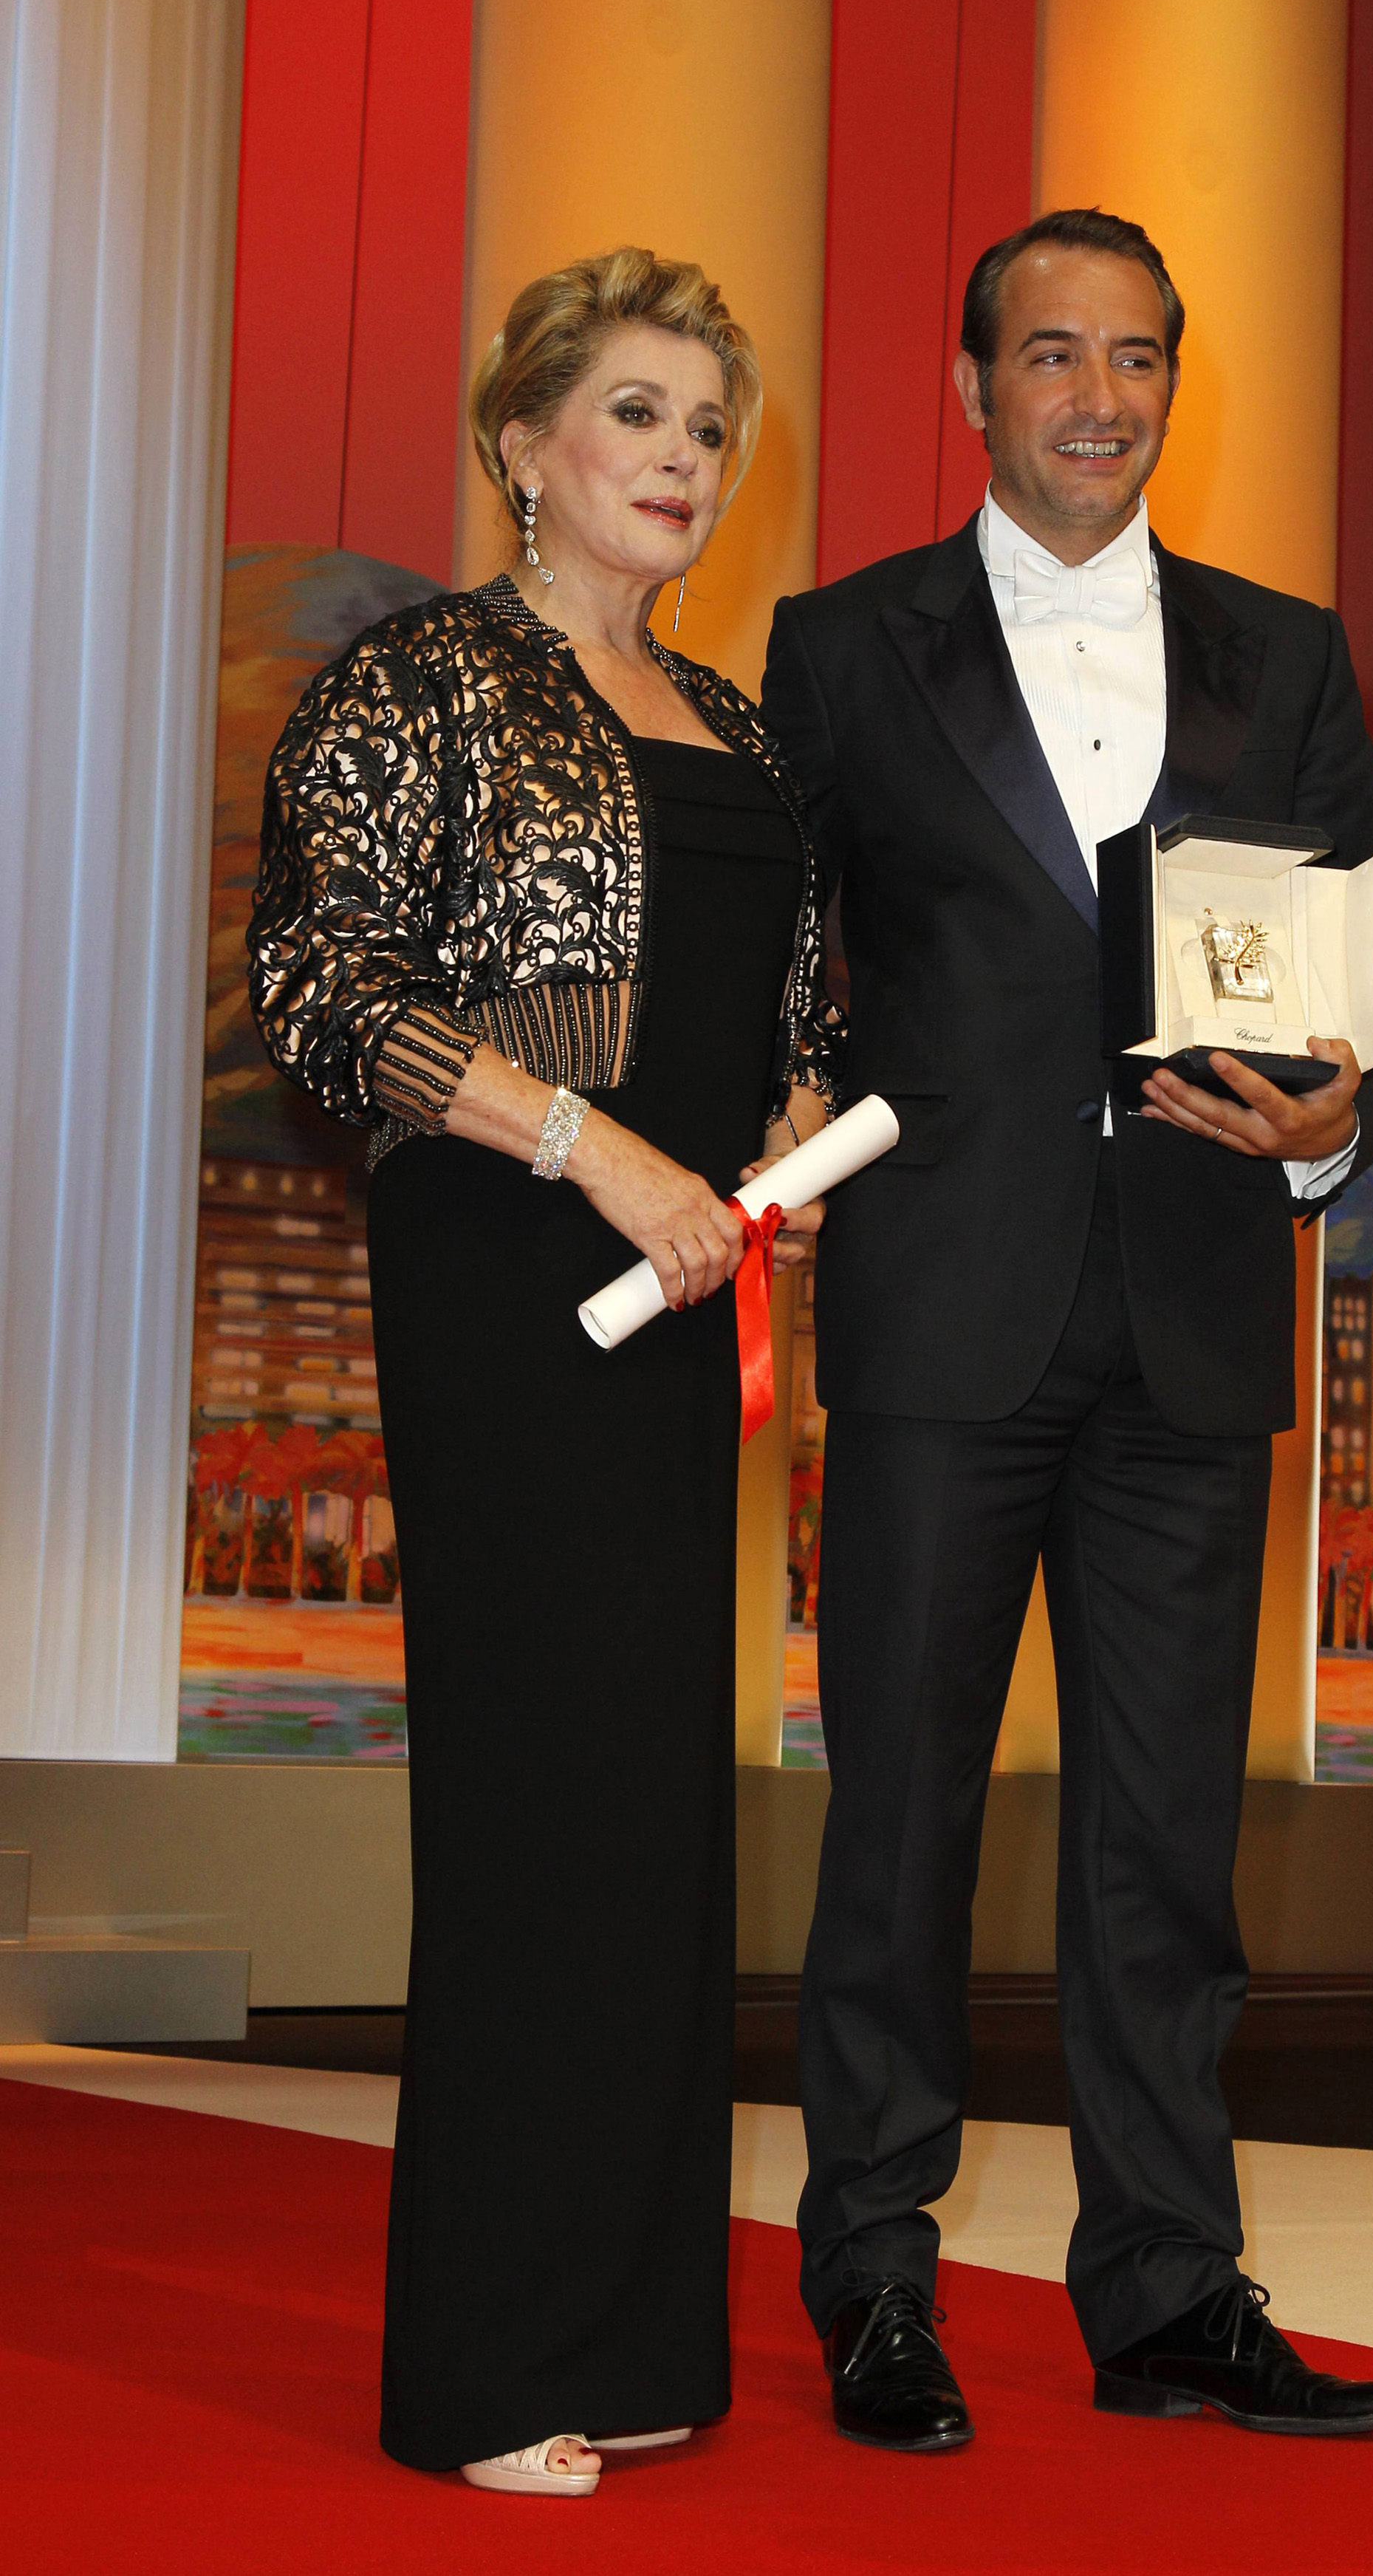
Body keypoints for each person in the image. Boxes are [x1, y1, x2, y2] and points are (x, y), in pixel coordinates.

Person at [761, 208, 1373, 2450]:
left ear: (1170, 385)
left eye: (1135, 357)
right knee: (899, 1830)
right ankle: (873, 2276)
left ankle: (1167, 2291)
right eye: (1052, 354)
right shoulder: (839, 647)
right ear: (975, 387)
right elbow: (780, 961)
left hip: (1194, 1316)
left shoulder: (1288, 656)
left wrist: (1332, 1130)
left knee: (1164, 1847)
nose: (1097, 396)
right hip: (940, 1305)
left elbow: (1370, 975)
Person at [250, 247, 842, 2495]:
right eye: (636, 413)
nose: (683, 458)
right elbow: (325, 991)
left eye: (710, 425)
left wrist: (789, 1124)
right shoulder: (418, 682)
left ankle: (626, 2330)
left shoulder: (743, 726)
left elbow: (791, 1000)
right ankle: (491, 2371)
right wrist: (596, 1151)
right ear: (522, 440)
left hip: (687, 1295)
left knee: (650, 1809)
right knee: (531, 1803)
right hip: (513, 1274)